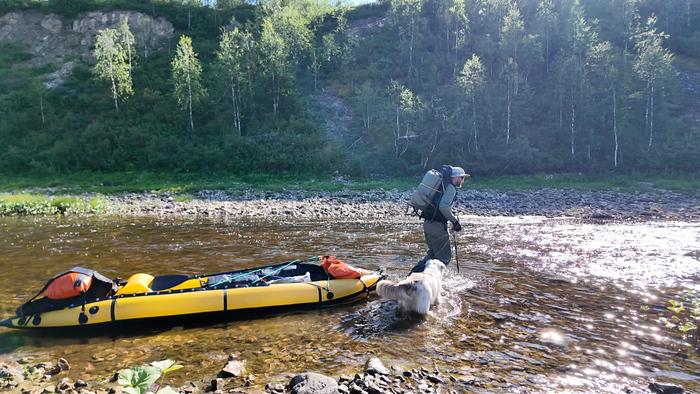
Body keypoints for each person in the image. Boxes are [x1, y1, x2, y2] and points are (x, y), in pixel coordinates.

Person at [409, 166, 469, 274]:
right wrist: (454, 221)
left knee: (432, 255)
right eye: (462, 178)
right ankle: (417, 280)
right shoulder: (450, 188)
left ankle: (412, 278)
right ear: (455, 178)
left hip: (428, 224)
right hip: (437, 227)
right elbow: (443, 207)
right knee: (443, 257)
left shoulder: (441, 187)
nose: (463, 180)